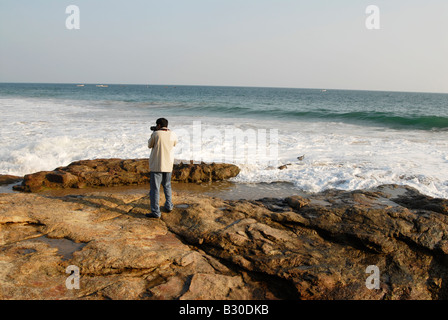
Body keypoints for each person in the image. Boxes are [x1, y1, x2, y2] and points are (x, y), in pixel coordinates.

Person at [146, 118, 178, 218]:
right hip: (168, 164)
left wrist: (154, 132)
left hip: (157, 165)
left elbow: (149, 145)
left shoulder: (156, 134)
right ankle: (169, 206)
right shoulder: (173, 134)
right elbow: (174, 144)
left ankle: (156, 212)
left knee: (155, 189)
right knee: (167, 186)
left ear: (159, 125)